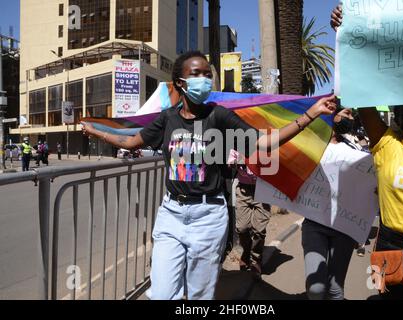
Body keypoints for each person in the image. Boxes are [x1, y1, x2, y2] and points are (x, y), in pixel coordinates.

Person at [81, 51, 337, 300]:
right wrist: (97, 132)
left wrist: (310, 115)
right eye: (196, 73)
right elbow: (132, 142)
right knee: (160, 293)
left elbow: (263, 143)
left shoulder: (219, 115)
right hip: (171, 215)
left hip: (208, 218)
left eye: (206, 73)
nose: (204, 79)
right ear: (180, 83)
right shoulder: (167, 118)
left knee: (199, 295)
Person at [331, 7, 403, 299]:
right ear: (397, 111)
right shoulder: (385, 143)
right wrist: (347, 34)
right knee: (381, 296)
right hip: (387, 245)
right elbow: (362, 93)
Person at [301, 108, 358, 300]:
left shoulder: (354, 149)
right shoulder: (310, 144)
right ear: (334, 115)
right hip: (314, 225)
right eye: (348, 113)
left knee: (335, 288)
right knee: (316, 288)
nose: (351, 118)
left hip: (344, 227)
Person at [228, 149, 271, 278]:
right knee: (241, 228)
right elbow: (230, 163)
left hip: (263, 189)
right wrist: (238, 161)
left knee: (259, 230)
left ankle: (256, 259)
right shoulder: (237, 143)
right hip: (244, 189)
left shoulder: (266, 144)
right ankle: (246, 252)